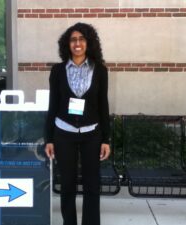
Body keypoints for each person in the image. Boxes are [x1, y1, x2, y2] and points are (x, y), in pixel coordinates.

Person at [44, 22, 111, 225]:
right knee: (67, 185)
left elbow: (103, 105)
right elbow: (53, 105)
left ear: (89, 43)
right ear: (67, 44)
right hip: (64, 133)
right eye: (73, 39)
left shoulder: (100, 70)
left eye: (82, 39)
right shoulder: (58, 71)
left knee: (92, 185)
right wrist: (49, 138)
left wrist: (106, 139)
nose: (77, 43)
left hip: (92, 134)